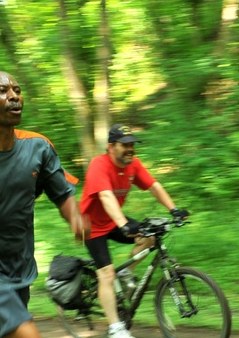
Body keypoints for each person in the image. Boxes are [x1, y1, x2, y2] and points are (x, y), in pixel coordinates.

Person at [0, 70, 91, 338]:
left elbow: (61, 193)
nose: (14, 96)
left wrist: (75, 216)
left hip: (20, 268)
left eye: (17, 90)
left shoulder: (38, 147)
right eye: (2, 91)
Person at [81, 124, 189, 338]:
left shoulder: (133, 165)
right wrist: (123, 223)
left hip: (112, 221)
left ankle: (126, 273)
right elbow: (105, 196)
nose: (130, 149)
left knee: (151, 236)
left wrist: (174, 209)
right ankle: (115, 328)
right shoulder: (99, 165)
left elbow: (154, 186)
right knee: (106, 274)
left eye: (133, 145)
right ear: (111, 146)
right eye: (125, 145)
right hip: (90, 225)